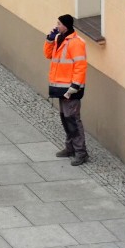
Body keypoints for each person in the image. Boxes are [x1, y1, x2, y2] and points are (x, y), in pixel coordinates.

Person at [44, 14, 89, 166]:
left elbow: (80, 66)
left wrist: (74, 86)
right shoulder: (59, 39)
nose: (57, 26)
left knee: (73, 120)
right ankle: (70, 148)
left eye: (59, 23)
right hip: (60, 88)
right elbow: (48, 55)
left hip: (71, 89)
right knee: (65, 118)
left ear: (66, 26)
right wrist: (49, 40)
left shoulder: (76, 43)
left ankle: (81, 152)